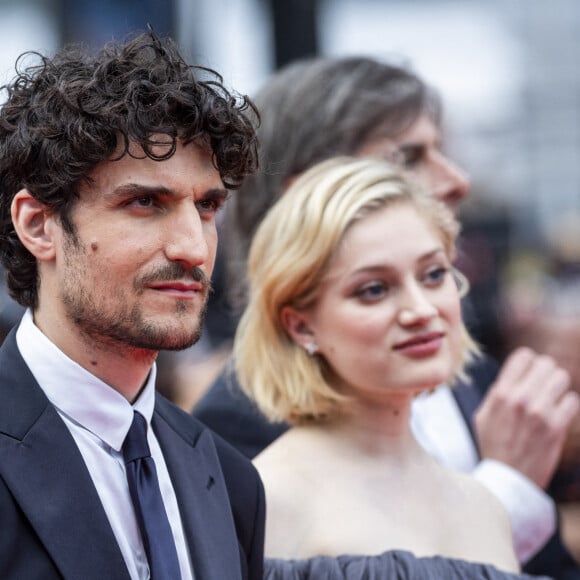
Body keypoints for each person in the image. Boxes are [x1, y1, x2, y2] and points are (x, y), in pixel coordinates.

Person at [193, 56, 580, 578]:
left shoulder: (473, 388)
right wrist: (508, 484)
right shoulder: (250, 471)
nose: (457, 180)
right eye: (409, 157)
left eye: (435, 274)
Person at [0, 32, 265, 579]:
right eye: (146, 202)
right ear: (37, 224)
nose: (193, 247)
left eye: (208, 206)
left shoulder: (232, 482)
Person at [237, 155, 527, 576]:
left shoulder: (484, 504)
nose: (421, 309)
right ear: (300, 325)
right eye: (374, 289)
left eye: (433, 274)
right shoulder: (267, 499)